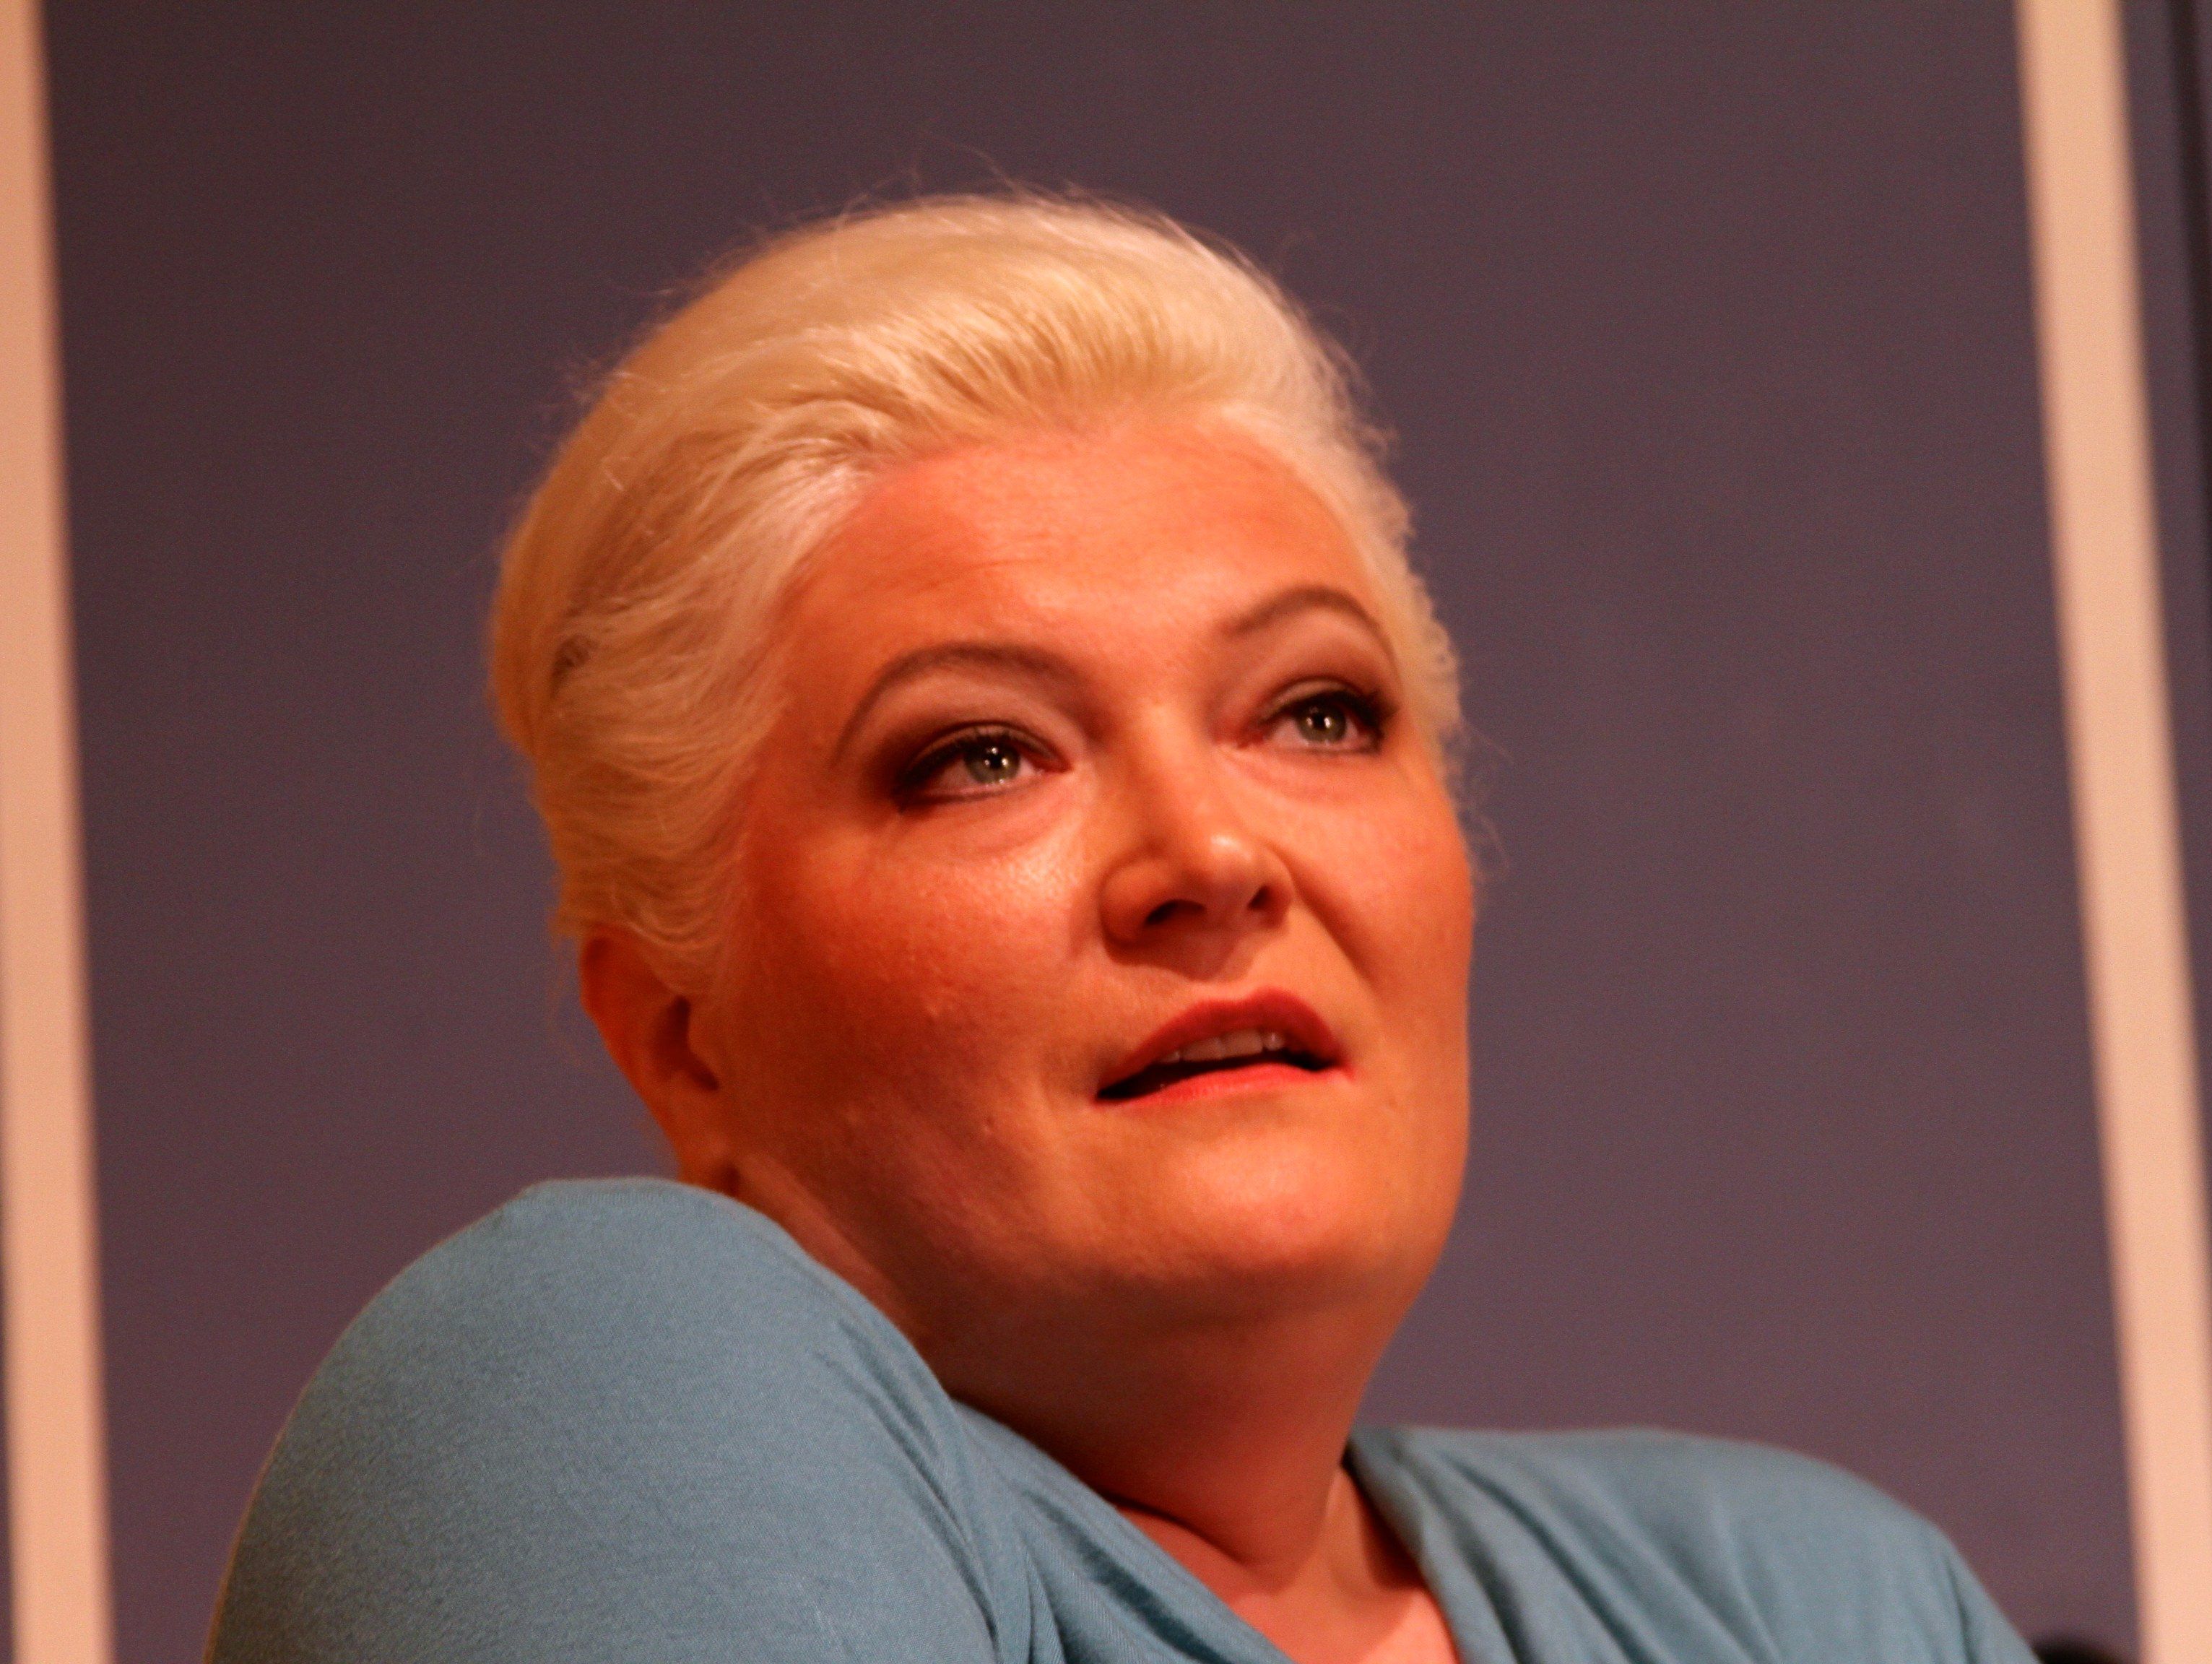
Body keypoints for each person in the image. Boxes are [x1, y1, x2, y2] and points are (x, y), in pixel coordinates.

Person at [208, 194, 2037, 1664]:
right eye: (982, 755)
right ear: (686, 1041)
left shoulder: (1805, 1599)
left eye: (1316, 712)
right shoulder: (576, 1388)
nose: (1211, 850)